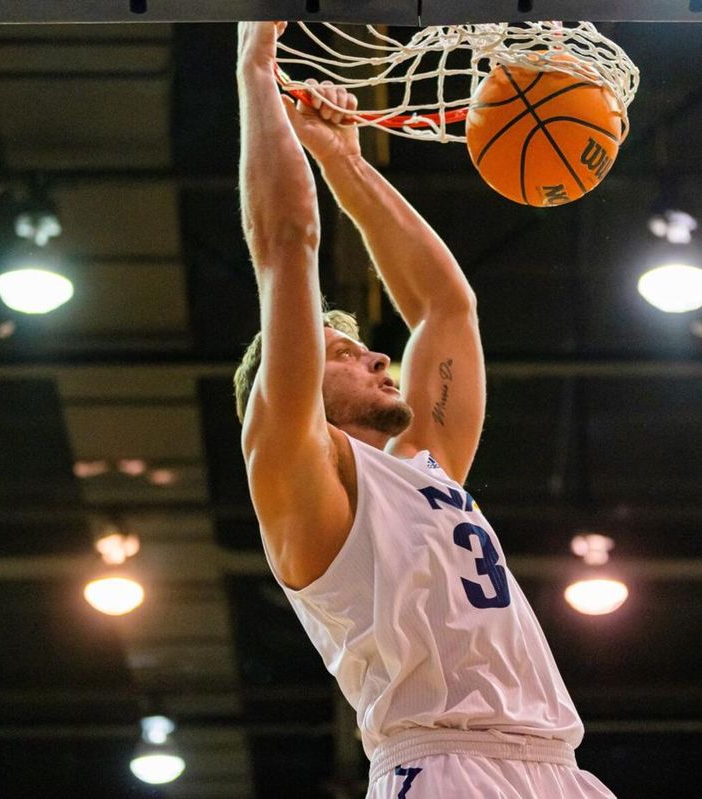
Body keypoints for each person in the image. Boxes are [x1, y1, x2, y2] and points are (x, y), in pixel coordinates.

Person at [234, 21, 616, 798]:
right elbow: (287, 244)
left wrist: (343, 159)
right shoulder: (301, 478)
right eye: (343, 355)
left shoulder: (428, 467)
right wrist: (254, 68)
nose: (377, 356)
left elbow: (446, 306)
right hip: (440, 765)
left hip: (559, 768)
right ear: (295, 387)